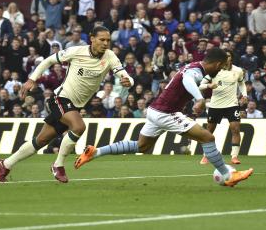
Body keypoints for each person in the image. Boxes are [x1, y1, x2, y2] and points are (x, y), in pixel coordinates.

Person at [74, 48, 253, 187]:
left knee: (142, 146)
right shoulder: (196, 71)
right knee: (208, 137)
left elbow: (186, 81)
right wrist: (199, 99)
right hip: (166, 113)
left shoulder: (194, 67)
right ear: (216, 63)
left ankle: (95, 152)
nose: (222, 69)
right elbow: (187, 81)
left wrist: (201, 92)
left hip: (155, 110)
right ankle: (228, 175)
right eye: (222, 66)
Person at [0, 26, 134, 183]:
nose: (105, 43)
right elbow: (48, 61)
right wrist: (32, 79)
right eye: (102, 39)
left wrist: (128, 81)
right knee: (79, 127)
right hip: (61, 98)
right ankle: (58, 165)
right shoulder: (76, 51)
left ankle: (5, 164)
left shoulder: (110, 56)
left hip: (75, 105)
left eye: (108, 40)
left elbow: (126, 76)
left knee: (41, 140)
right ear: (92, 38)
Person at [198, 50, 247, 165]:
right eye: (225, 56)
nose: (226, 58)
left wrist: (244, 94)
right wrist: (209, 85)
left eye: (228, 56)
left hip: (232, 104)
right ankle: (206, 156)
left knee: (235, 129)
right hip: (215, 105)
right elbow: (200, 85)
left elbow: (241, 83)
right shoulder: (214, 70)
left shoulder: (238, 71)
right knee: (209, 131)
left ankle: (234, 156)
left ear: (231, 58)